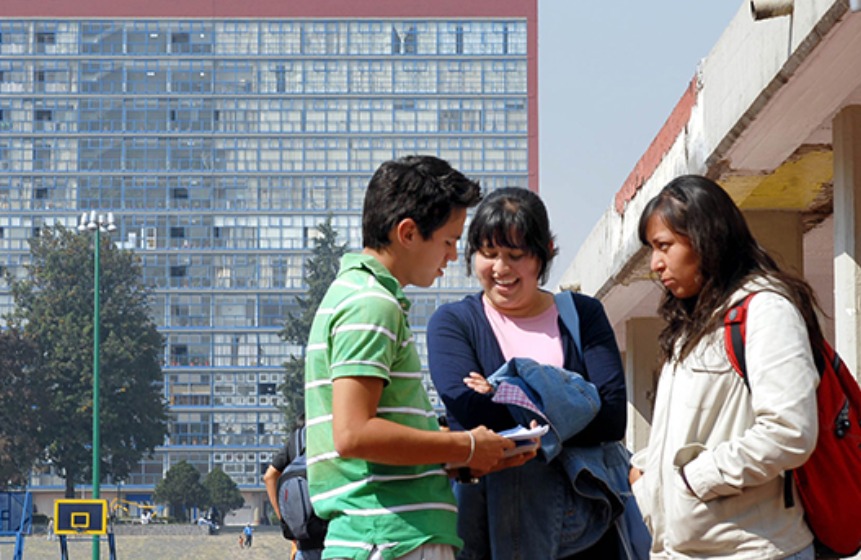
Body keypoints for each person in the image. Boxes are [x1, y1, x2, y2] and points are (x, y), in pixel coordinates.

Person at [304, 156, 532, 560]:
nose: (453, 255)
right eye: (448, 241)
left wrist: (468, 456)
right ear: (408, 233)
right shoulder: (372, 304)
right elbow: (354, 434)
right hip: (393, 538)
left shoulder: (355, 295)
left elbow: (373, 446)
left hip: (384, 534)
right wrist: (464, 445)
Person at [427, 187, 630, 559]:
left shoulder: (583, 315)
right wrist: (569, 402)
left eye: (515, 255)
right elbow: (469, 412)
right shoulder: (453, 323)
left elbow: (613, 417)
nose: (501, 269)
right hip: (488, 528)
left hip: (586, 526)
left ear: (545, 252)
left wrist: (503, 393)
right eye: (489, 254)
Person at [630, 175, 820, 559]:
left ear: (706, 239)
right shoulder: (692, 325)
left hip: (754, 550)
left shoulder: (765, 310)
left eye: (664, 246)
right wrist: (646, 476)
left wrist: (696, 478)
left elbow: (789, 431)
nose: (655, 264)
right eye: (652, 249)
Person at [264, 416, 325, 560]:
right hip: (335, 539)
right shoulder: (328, 430)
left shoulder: (295, 440)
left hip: (304, 543)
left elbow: (269, 476)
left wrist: (287, 522)